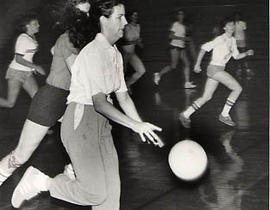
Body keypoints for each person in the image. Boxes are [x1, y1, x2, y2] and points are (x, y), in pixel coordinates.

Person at [11, 1, 163, 209]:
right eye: (120, 16)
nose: (125, 22)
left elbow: (124, 98)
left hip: (102, 126)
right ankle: (40, 181)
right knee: (95, 194)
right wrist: (134, 125)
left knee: (111, 195)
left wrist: (143, 127)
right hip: (81, 121)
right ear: (103, 20)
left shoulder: (115, 54)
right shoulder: (92, 52)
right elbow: (99, 103)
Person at [0, 0, 91, 187]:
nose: (86, 18)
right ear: (71, 16)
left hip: (67, 99)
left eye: (88, 14)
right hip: (51, 99)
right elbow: (79, 74)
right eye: (82, 13)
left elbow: (54, 51)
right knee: (21, 155)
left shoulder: (78, 39)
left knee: (86, 139)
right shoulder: (66, 39)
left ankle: (70, 173)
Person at [179, 17, 254, 128]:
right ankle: (224, 114)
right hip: (214, 68)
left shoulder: (232, 40)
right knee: (237, 88)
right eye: (229, 25)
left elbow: (236, 56)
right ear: (224, 28)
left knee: (206, 97)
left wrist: (247, 53)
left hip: (219, 70)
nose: (232, 27)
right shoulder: (220, 39)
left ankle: (185, 114)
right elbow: (204, 48)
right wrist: (197, 64)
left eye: (233, 25)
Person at [0, 13, 45, 108]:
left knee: (37, 99)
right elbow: (19, 59)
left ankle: (38, 121)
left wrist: (32, 68)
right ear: (27, 25)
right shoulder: (23, 39)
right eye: (35, 23)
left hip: (27, 73)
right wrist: (36, 67)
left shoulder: (31, 37)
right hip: (17, 72)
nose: (39, 25)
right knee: (10, 103)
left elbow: (28, 56)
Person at [154, 9, 196, 88]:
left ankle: (187, 83)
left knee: (187, 64)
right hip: (175, 46)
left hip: (181, 47)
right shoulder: (175, 24)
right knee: (173, 66)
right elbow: (171, 36)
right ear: (177, 16)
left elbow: (185, 38)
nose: (181, 16)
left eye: (182, 14)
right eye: (179, 14)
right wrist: (183, 39)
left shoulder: (184, 26)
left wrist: (186, 39)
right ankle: (158, 75)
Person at [121, 11, 146, 91]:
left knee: (141, 70)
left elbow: (138, 41)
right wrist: (136, 42)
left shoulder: (138, 26)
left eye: (136, 15)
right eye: (133, 15)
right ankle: (121, 91)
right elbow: (124, 41)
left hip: (132, 53)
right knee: (122, 73)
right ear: (130, 16)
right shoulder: (126, 27)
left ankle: (128, 84)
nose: (135, 17)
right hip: (124, 53)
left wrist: (140, 44)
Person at [233, 12, 254, 78]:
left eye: (238, 16)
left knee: (244, 55)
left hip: (242, 40)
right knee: (237, 55)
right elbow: (232, 32)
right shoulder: (233, 23)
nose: (237, 17)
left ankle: (248, 70)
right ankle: (239, 71)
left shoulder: (243, 23)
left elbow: (245, 32)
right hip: (235, 41)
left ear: (239, 16)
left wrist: (246, 41)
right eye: (236, 16)